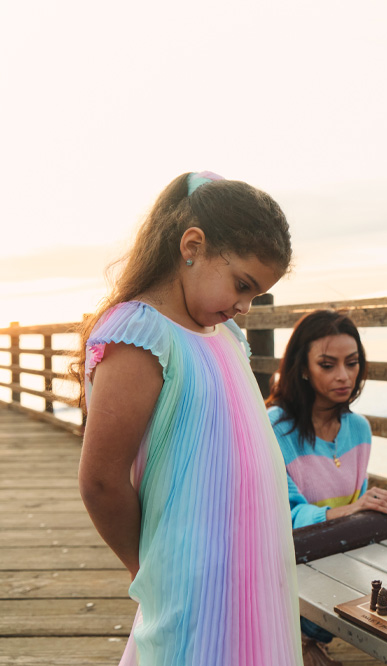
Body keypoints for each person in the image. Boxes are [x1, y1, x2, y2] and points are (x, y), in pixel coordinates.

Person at [76, 171, 302, 666]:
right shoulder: (140, 333)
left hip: (259, 573)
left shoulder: (226, 337)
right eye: (242, 285)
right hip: (191, 582)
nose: (244, 307)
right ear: (192, 245)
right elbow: (100, 480)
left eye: (256, 296)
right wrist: (150, 568)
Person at [266, 309, 387, 666]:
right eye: (328, 365)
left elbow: (355, 508)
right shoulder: (274, 429)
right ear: (302, 368)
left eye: (352, 363)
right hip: (281, 566)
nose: (344, 376)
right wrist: (354, 510)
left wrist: (375, 508)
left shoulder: (359, 429)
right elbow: (284, 518)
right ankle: (299, 635)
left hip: (337, 559)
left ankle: (314, 634)